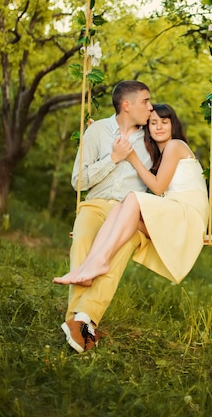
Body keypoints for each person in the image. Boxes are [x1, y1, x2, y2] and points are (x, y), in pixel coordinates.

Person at [54, 103, 209, 339]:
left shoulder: (176, 146)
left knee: (132, 198)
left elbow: (157, 188)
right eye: (153, 122)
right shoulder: (160, 153)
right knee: (118, 212)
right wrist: (102, 132)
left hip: (186, 213)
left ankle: (97, 263)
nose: (158, 127)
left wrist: (132, 157)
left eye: (164, 122)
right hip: (172, 211)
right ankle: (87, 288)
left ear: (173, 124)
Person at [57, 80, 154, 354]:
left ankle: (80, 318)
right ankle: (81, 321)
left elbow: (162, 180)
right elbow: (78, 181)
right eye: (145, 101)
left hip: (128, 213)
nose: (150, 106)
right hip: (96, 205)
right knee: (83, 244)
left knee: (120, 249)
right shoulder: (97, 131)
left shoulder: (152, 137)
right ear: (127, 105)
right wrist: (112, 158)